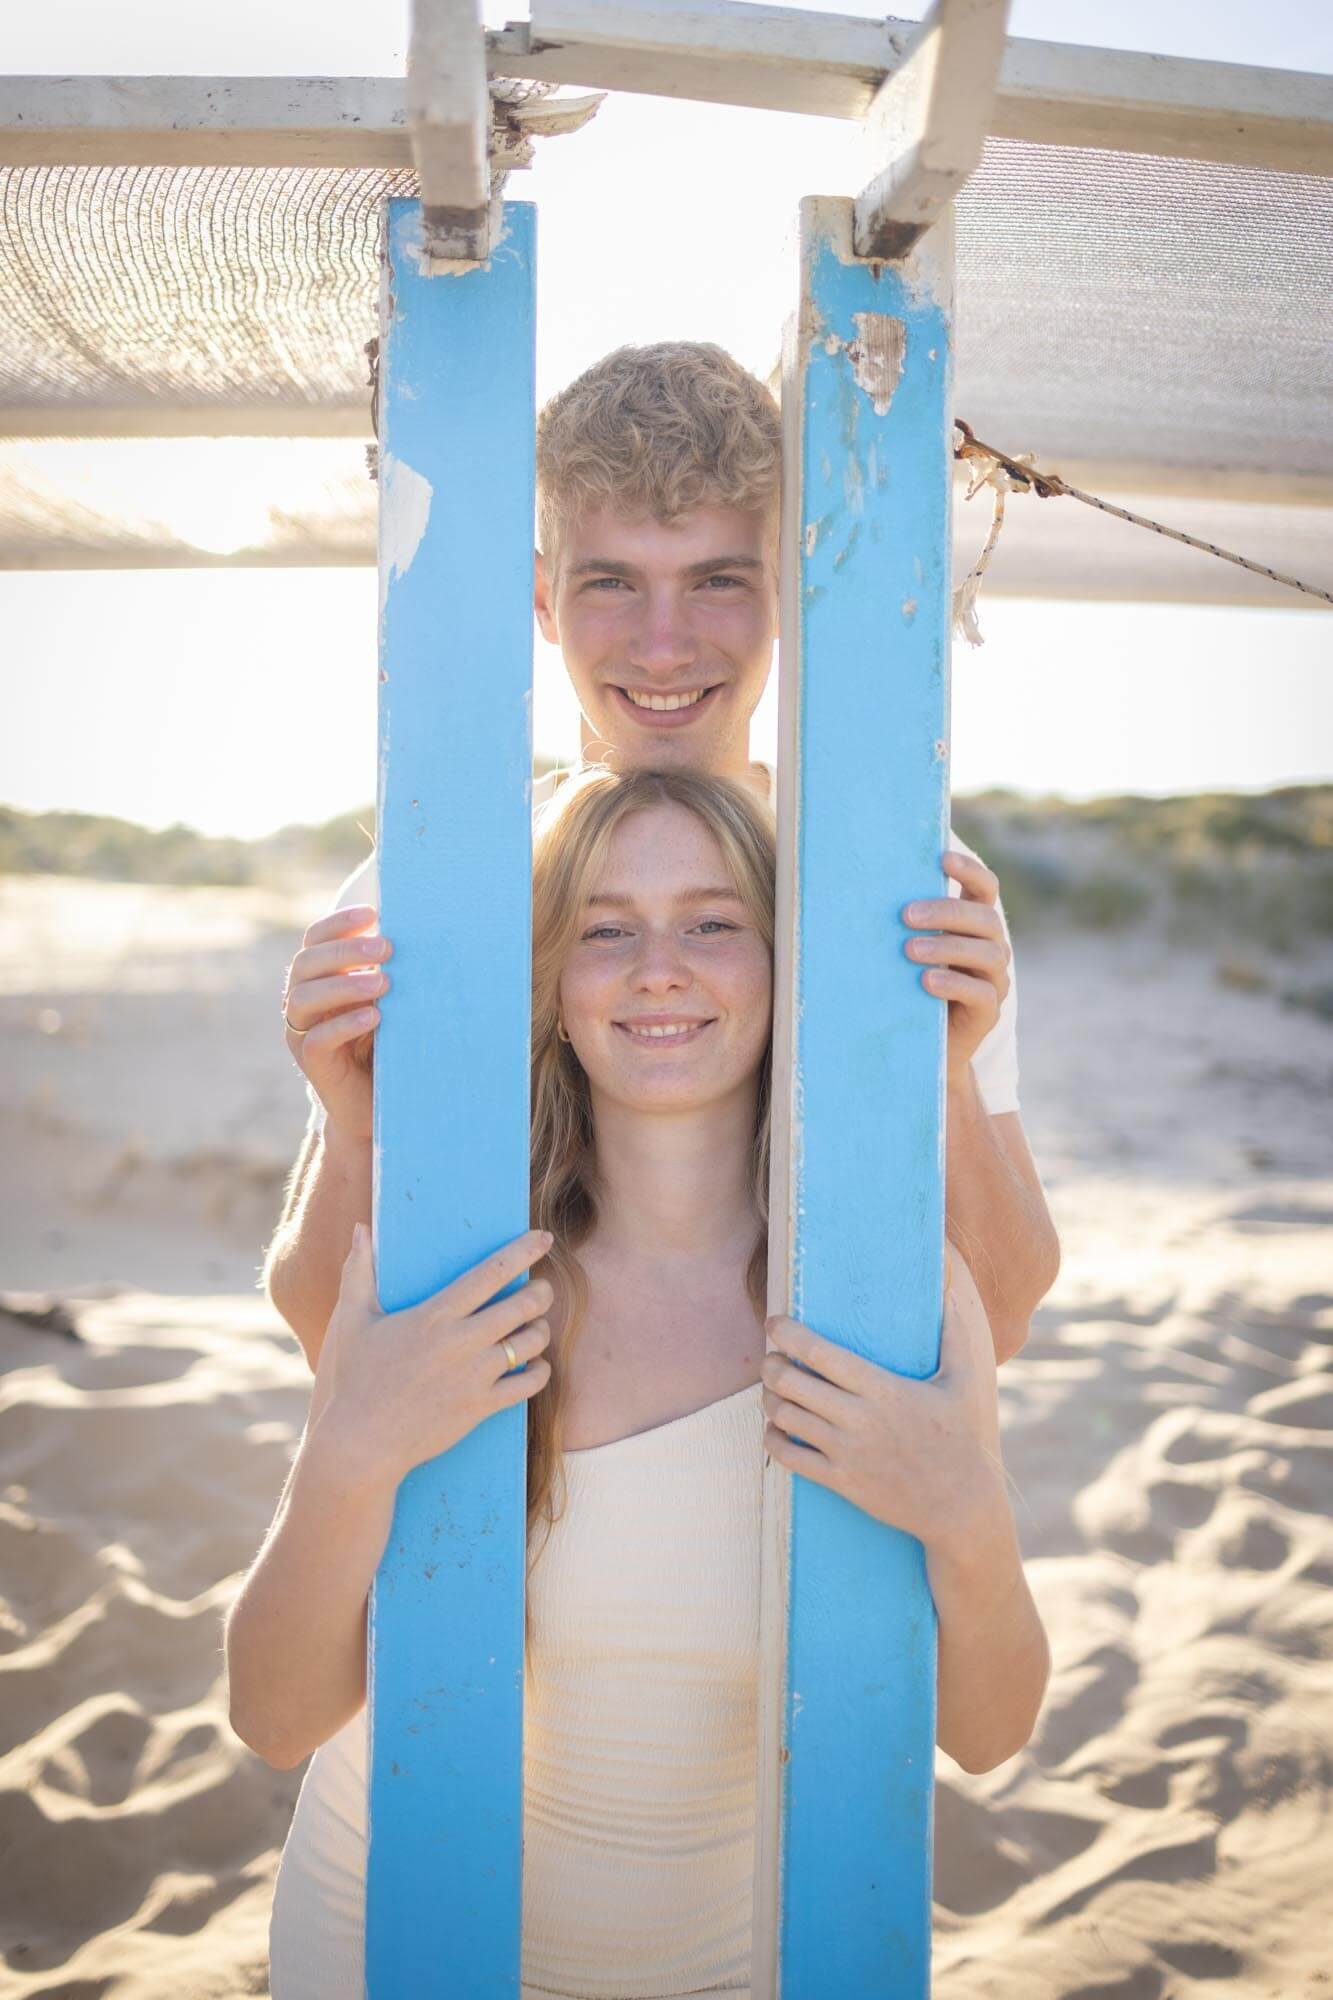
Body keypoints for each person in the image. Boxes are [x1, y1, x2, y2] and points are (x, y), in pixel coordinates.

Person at [228, 769, 1051, 2000]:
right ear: (552, 981)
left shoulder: (884, 1299)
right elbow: (274, 1712)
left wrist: (967, 1511)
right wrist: (351, 1445)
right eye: (605, 928)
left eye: (715, 922)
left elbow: (987, 1733)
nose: (657, 966)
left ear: (790, 970)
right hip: (390, 1952)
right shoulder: (450, 1280)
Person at [265, 343, 1059, 1374]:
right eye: (613, 583)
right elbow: (325, 1331)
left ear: (788, 592)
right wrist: (353, 1126)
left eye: (717, 580)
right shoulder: (427, 887)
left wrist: (941, 1075)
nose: (664, 643)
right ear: (543, 600)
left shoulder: (900, 882)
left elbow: (999, 1314)